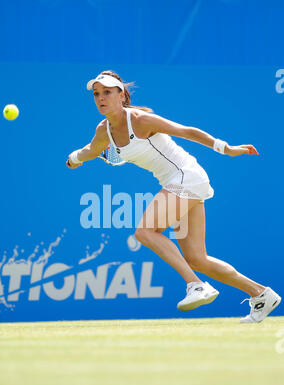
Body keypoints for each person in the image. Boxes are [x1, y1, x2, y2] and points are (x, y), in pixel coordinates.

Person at [66, 70, 281, 323]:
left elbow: (186, 131)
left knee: (145, 231)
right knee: (197, 259)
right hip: (182, 182)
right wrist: (74, 159)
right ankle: (261, 294)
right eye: (96, 94)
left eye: (107, 92)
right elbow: (92, 149)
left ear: (121, 95)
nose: (101, 98)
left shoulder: (140, 119)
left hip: (186, 177)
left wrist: (226, 148)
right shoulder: (104, 130)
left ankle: (196, 286)